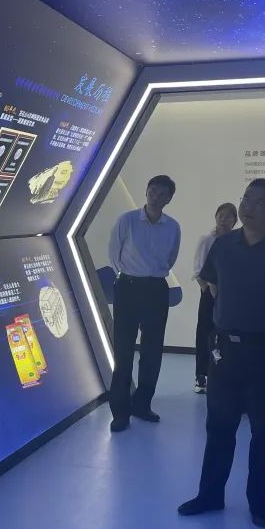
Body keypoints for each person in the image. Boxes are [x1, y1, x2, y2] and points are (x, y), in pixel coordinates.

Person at [177, 179, 265, 528]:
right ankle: (210, 494)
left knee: (264, 430)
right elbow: (213, 284)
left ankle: (259, 502)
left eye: (259, 202)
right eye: (246, 199)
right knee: (219, 426)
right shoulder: (223, 246)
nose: (249, 207)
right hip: (225, 350)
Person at [107, 174, 181, 432]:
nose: (156, 197)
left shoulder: (173, 227)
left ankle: (142, 404)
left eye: (162, 194)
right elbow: (114, 254)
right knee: (123, 351)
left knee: (152, 351)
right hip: (127, 287)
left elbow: (170, 259)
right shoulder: (126, 220)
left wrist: (150, 275)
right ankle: (120, 411)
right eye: (153, 191)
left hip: (156, 289)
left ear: (169, 199)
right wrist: (129, 275)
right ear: (146, 191)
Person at [192, 202, 238, 394]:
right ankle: (201, 375)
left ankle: (223, 375)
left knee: (227, 335)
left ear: (235, 220)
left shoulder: (237, 240)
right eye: (220, 215)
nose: (223, 219)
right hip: (209, 294)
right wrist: (207, 290)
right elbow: (198, 269)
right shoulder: (207, 239)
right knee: (205, 333)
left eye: (228, 216)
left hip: (230, 296)